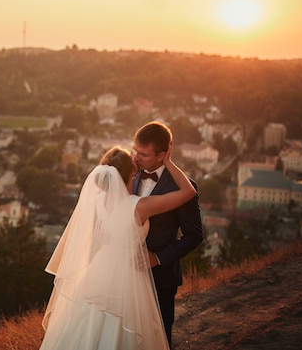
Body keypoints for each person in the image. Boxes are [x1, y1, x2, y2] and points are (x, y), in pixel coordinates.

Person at [40, 142, 196, 350]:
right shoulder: (137, 207)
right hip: (129, 273)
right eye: (133, 176)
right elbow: (188, 192)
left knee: (87, 322)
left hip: (98, 270)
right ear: (123, 178)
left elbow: (100, 236)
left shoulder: (99, 201)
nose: (135, 179)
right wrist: (166, 160)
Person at [132, 121, 203, 348]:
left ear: (162, 155)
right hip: (126, 275)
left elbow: (194, 235)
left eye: (143, 154)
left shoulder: (183, 187)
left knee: (159, 338)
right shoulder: (127, 175)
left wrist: (157, 258)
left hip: (161, 278)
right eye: (135, 150)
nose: (136, 157)